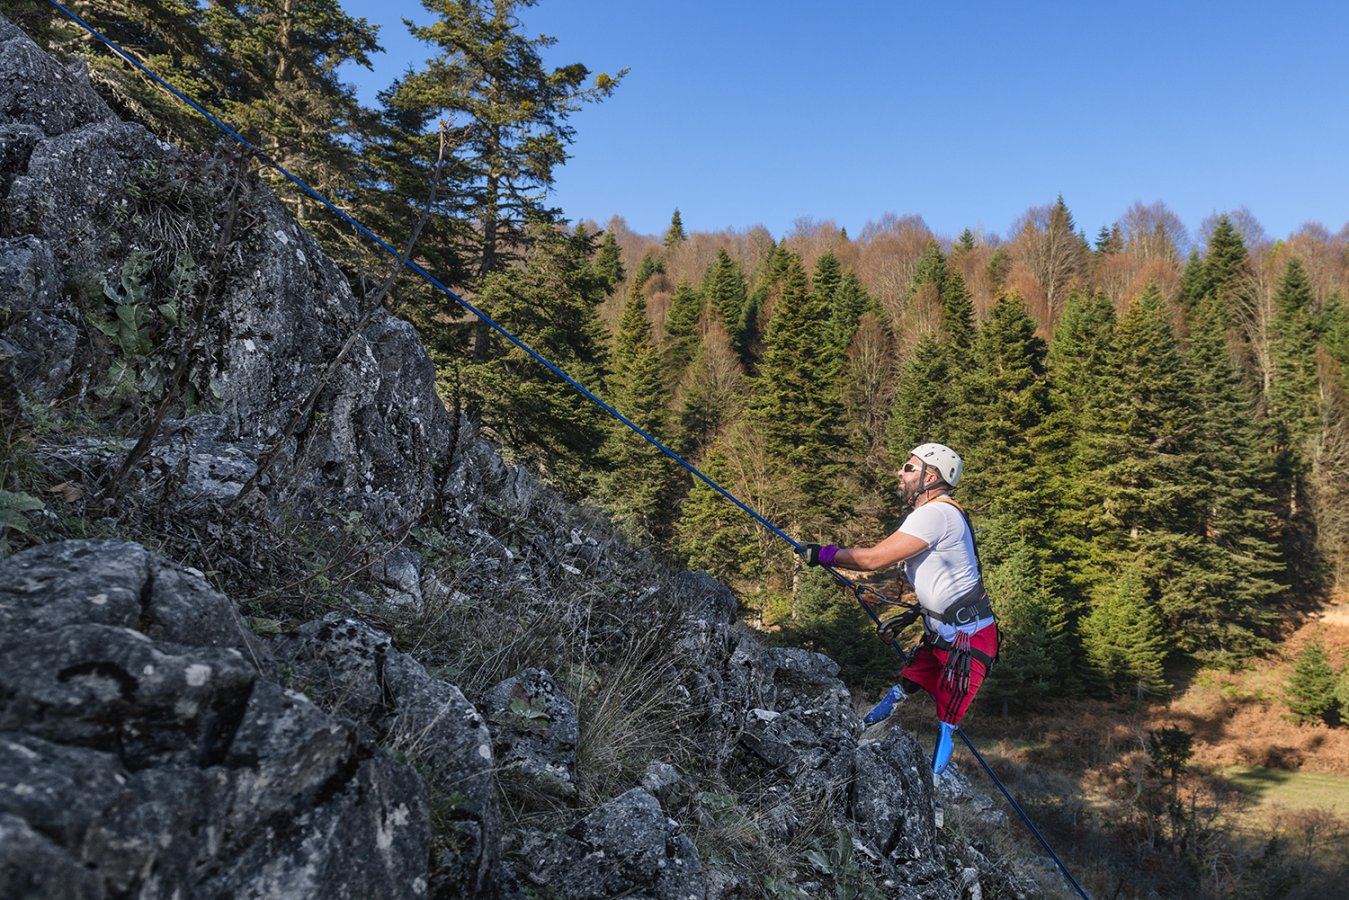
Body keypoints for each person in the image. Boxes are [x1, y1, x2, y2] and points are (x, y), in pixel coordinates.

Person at [801, 442, 998, 827]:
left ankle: (932, 796)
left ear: (931, 477)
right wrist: (909, 618)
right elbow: (936, 583)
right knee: (906, 686)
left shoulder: (937, 514)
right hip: (950, 631)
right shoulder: (932, 515)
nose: (900, 473)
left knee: (948, 717)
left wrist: (824, 554)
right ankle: (859, 734)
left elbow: (874, 559)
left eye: (909, 467)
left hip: (964, 641)